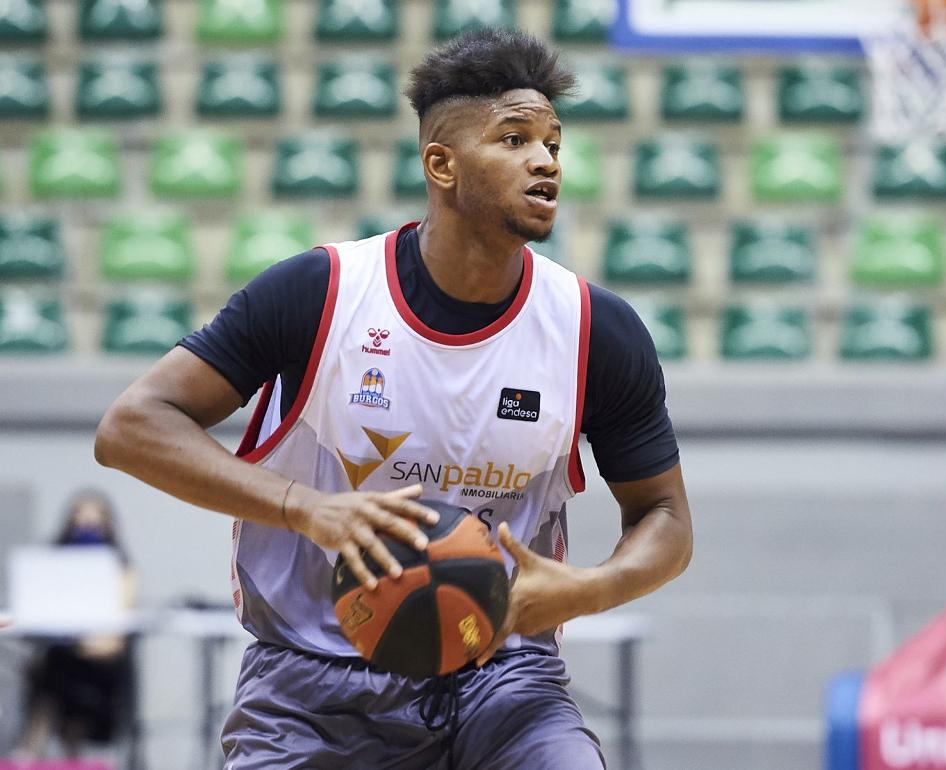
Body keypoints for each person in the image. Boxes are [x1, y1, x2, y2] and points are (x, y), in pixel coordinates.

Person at [95, 28, 693, 769]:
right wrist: (305, 508)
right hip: (310, 683)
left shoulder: (594, 328)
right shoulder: (320, 293)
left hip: (501, 676)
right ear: (441, 164)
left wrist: (591, 588)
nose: (545, 161)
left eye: (553, 143)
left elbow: (665, 516)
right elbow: (130, 427)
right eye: (514, 139)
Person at [17, 490, 136, 761]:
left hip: (101, 656)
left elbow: (115, 634)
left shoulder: (120, 566)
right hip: (63, 652)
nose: (87, 523)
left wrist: (88, 640)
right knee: (52, 667)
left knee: (63, 670)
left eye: (94, 517)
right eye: (81, 515)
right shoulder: (55, 561)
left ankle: (47, 751)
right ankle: (31, 752)